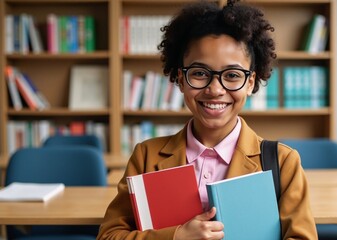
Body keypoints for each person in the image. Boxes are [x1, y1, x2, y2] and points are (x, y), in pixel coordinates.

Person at [97, 0, 317, 239]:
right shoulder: (146, 157)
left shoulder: (282, 163)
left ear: (250, 82)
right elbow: (110, 235)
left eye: (232, 75)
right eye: (200, 73)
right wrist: (175, 237)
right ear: (181, 79)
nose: (215, 89)